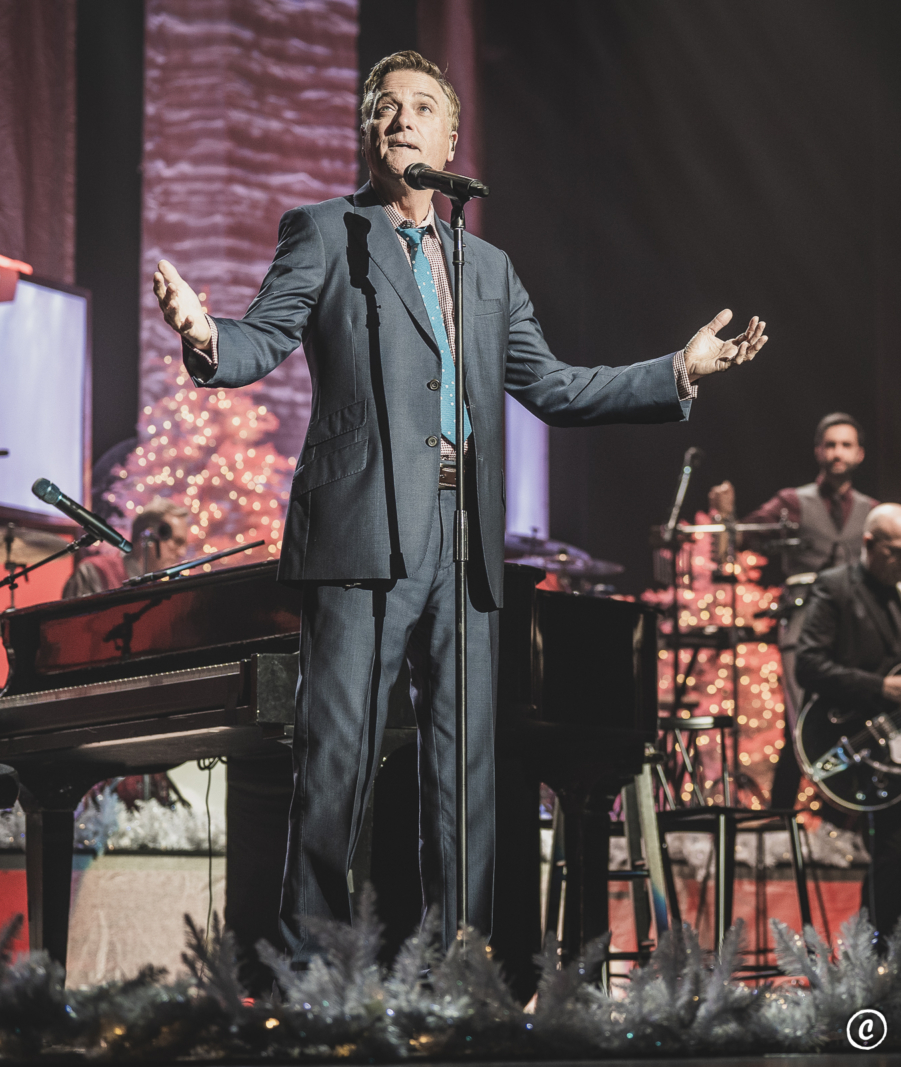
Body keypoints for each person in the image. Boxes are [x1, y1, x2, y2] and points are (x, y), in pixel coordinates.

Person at [150, 51, 768, 953]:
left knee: (465, 769)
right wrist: (206, 335)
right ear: (367, 134)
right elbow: (263, 337)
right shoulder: (326, 231)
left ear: (451, 136)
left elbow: (555, 386)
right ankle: (316, 974)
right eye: (384, 108)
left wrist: (675, 370)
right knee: (338, 760)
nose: (401, 119)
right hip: (363, 530)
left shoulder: (486, 267)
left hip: (463, 534)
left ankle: (463, 965)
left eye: (422, 106)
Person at [706, 412, 878, 809]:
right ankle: (795, 810)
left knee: (850, 713)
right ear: (819, 450)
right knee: (803, 718)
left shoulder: (873, 509)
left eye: (846, 445)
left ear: (860, 454)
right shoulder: (794, 502)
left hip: (854, 629)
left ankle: (844, 812)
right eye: (830, 444)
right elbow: (738, 540)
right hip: (803, 626)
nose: (837, 453)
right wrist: (725, 517)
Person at [793, 502, 901, 934]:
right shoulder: (836, 587)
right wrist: (880, 688)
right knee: (893, 855)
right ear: (869, 544)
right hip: (862, 736)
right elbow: (808, 664)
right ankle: (880, 962)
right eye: (897, 552)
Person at [61, 498, 190, 598]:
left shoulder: (163, 589)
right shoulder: (95, 571)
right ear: (149, 536)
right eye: (177, 542)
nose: (181, 552)